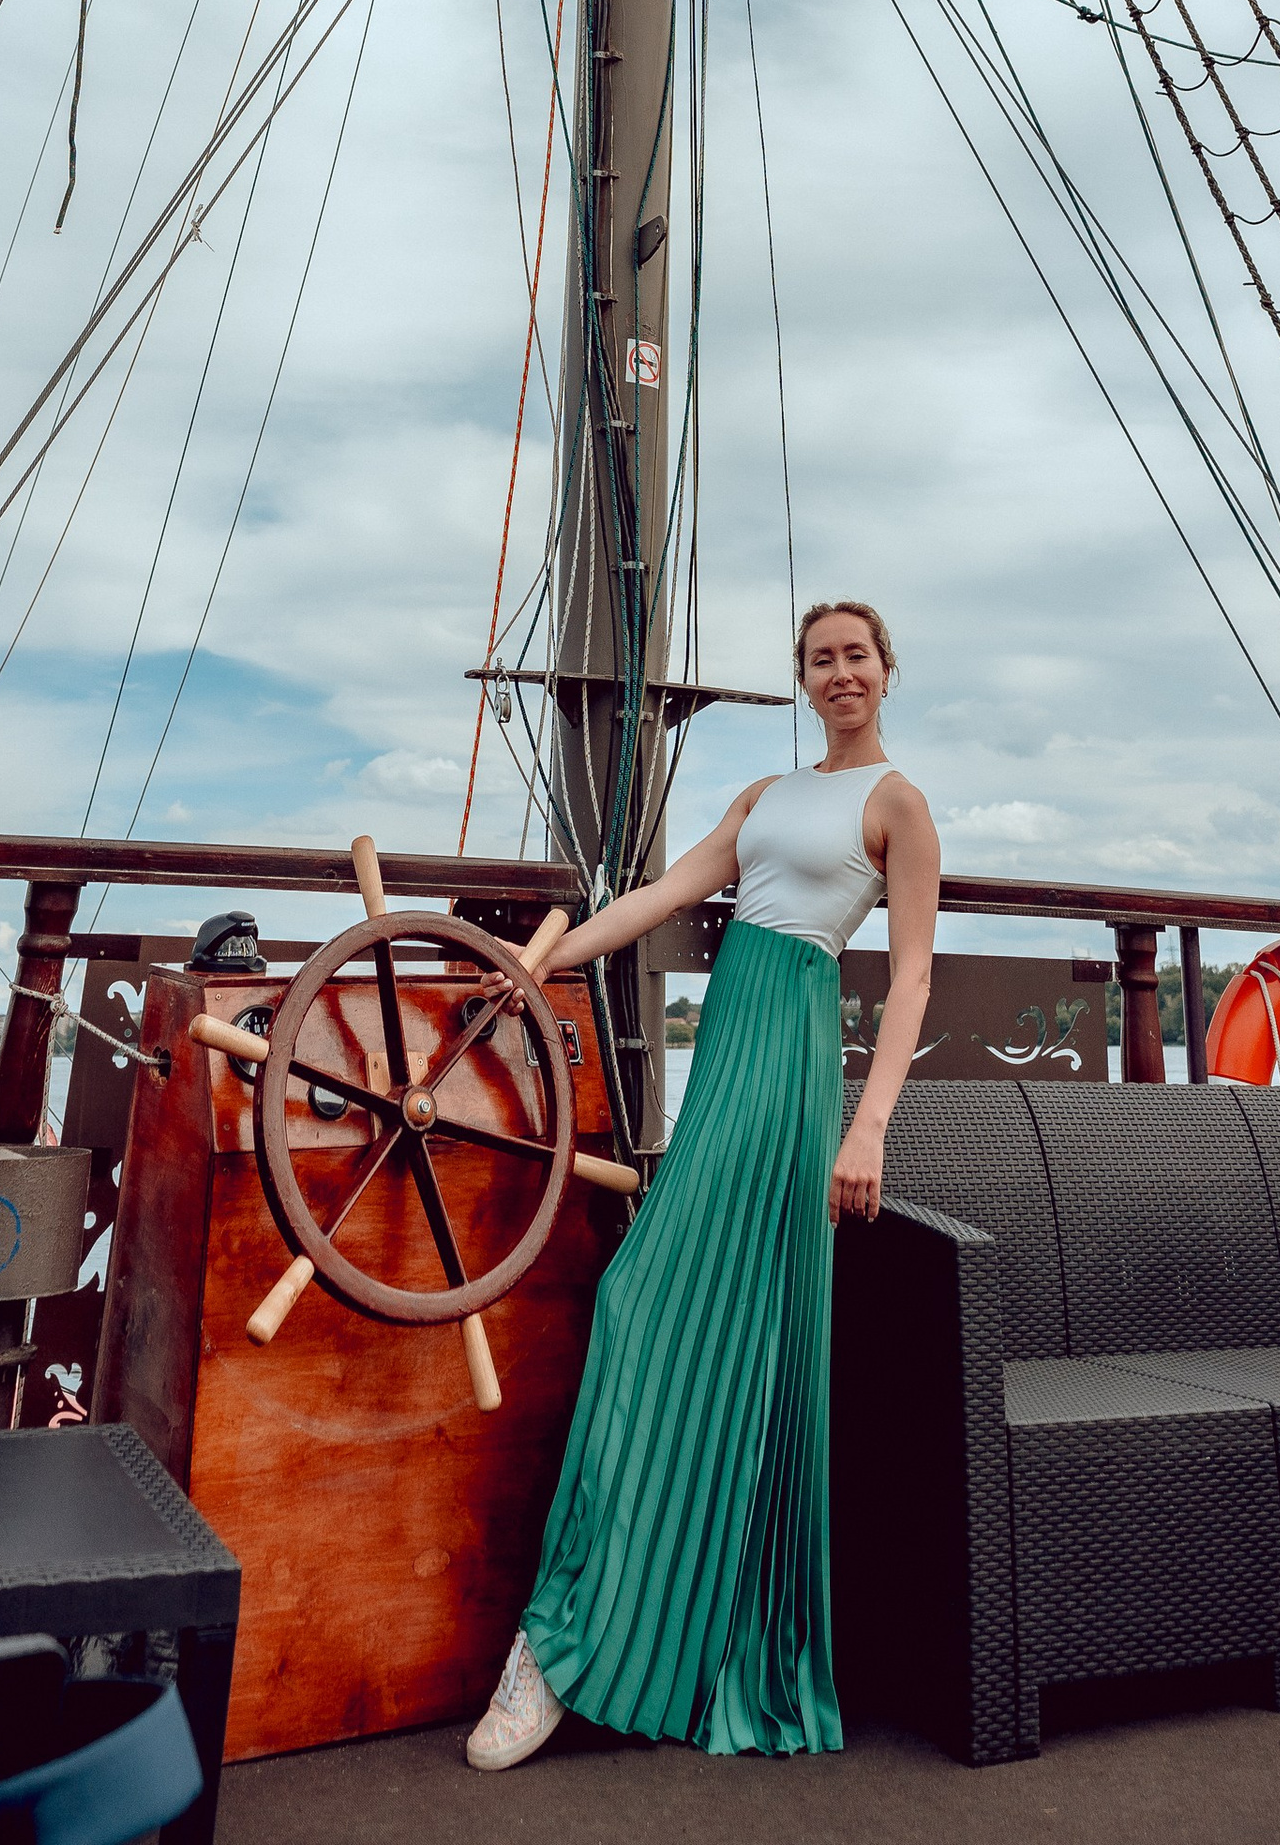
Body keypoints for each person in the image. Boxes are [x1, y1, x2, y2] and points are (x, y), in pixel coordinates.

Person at [465, 596, 939, 1768]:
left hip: (792, 1055)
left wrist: (866, 1129)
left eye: (856, 657)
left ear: (886, 672)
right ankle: (567, 1642)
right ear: (803, 676)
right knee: (650, 1315)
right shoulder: (765, 798)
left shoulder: (897, 805)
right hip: (727, 1037)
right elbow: (660, 899)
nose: (840, 674)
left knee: (660, 1312)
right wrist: (540, 962)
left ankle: (618, 1643)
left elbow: (915, 979)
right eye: (821, 659)